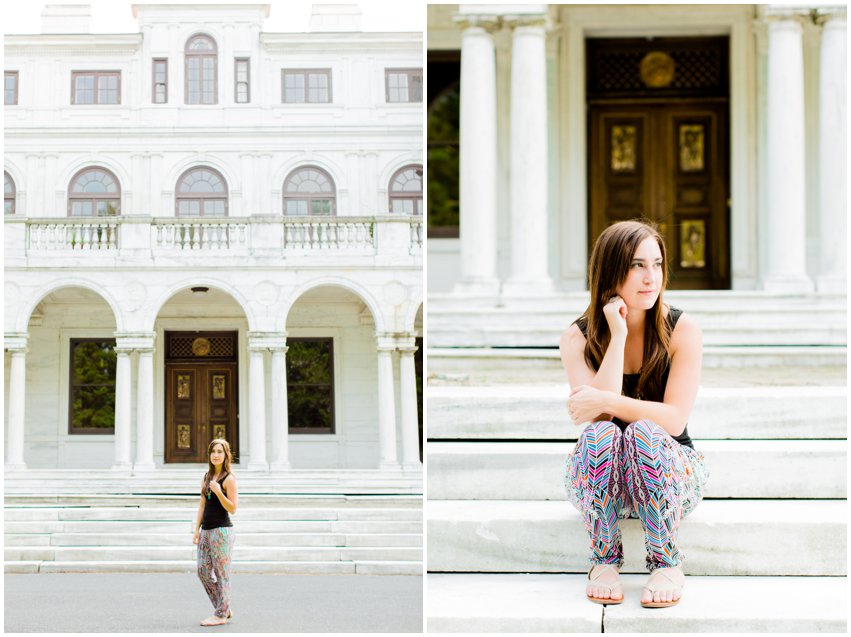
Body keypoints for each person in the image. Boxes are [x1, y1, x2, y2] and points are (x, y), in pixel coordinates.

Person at [559, 220, 708, 608]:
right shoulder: (577, 337)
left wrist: (607, 402)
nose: (651, 277)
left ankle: (666, 562)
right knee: (601, 436)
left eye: (657, 264)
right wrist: (619, 334)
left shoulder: (681, 329)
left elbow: (673, 420)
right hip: (605, 480)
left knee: (643, 431)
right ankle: (604, 559)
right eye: (637, 265)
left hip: (670, 469)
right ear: (611, 270)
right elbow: (599, 423)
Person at [193, 438, 238, 626]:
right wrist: (196, 530)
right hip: (206, 530)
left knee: (222, 573)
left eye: (220, 451)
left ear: (225, 455)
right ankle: (224, 607)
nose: (216, 455)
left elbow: (233, 508)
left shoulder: (229, 479)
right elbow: (202, 504)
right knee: (202, 571)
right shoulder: (206, 476)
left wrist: (219, 492)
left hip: (221, 531)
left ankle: (220, 614)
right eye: (213, 451)